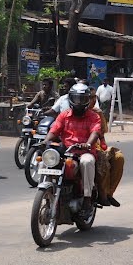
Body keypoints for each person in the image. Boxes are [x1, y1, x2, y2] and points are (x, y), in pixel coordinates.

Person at [46, 83, 103, 215]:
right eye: (76, 99)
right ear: (71, 98)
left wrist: (88, 144)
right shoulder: (64, 115)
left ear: (87, 100)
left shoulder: (94, 116)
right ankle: (47, 190)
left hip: (85, 151)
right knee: (47, 159)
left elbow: (95, 132)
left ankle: (87, 199)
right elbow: (54, 130)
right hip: (66, 150)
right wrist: (46, 141)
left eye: (82, 99)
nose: (78, 102)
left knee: (87, 162)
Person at [90, 89, 124, 207]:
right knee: (102, 161)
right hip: (82, 147)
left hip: (96, 145)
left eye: (94, 97)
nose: (93, 100)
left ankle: (109, 193)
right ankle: (103, 195)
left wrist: (103, 146)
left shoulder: (97, 113)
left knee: (118, 157)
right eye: (91, 97)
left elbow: (102, 134)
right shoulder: (71, 112)